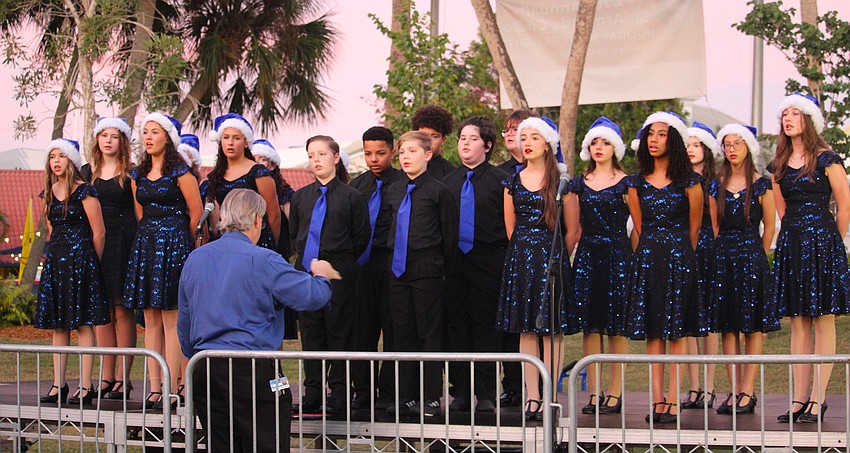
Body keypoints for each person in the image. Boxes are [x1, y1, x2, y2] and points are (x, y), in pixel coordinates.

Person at [178, 189, 339, 453]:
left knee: (220, 444)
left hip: (205, 366)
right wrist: (321, 275)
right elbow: (311, 296)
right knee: (267, 438)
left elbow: (185, 324)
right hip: (252, 367)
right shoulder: (263, 260)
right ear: (256, 220)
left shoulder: (196, 258)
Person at [769, 93, 850, 423]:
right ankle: (799, 398)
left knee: (823, 319)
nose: (788, 118)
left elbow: (844, 206)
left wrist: (833, 243)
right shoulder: (777, 165)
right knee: (798, 324)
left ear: (809, 120)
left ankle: (819, 398)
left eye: (795, 113)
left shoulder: (828, 159)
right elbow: (782, 210)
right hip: (793, 244)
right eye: (784, 113)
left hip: (823, 244)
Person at [625, 111, 707, 424]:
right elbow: (640, 226)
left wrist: (682, 257)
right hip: (648, 259)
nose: (654, 140)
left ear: (672, 139)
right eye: (650, 134)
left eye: (661, 134)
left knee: (676, 332)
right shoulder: (635, 184)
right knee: (653, 333)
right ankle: (657, 399)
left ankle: (674, 399)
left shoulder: (690, 182)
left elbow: (695, 228)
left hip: (679, 259)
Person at [124, 113, 203, 409]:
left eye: (154, 132)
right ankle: (154, 387)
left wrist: (190, 248)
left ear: (167, 137)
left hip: (175, 243)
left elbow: (196, 214)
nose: (148, 137)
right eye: (145, 132)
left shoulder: (181, 171)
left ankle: (174, 386)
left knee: (172, 319)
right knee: (150, 319)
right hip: (147, 243)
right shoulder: (138, 175)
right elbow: (139, 213)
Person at [289, 135, 370, 414]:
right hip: (307, 273)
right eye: (311, 155)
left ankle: (338, 392)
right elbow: (294, 234)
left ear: (336, 157)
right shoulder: (300, 197)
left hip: (339, 271)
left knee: (340, 331)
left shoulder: (352, 197)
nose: (316, 160)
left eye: (322, 154)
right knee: (311, 332)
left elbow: (361, 237)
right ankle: (312, 391)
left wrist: (339, 264)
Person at [497, 116, 570, 421]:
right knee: (527, 329)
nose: (526, 143)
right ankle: (532, 396)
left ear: (548, 144)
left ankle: (551, 394)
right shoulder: (512, 181)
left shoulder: (563, 182)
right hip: (522, 260)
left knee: (551, 330)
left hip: (552, 258)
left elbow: (572, 229)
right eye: (523, 137)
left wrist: (553, 255)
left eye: (533, 138)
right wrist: (525, 254)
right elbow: (511, 227)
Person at [385, 131, 457, 417]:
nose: (405, 157)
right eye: (402, 152)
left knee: (428, 332)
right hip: (398, 271)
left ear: (427, 155)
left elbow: (449, 236)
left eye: (412, 152)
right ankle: (405, 395)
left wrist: (441, 270)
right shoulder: (395, 190)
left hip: (427, 269)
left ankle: (430, 396)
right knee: (402, 332)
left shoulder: (438, 191)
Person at [710, 124, 778, 416]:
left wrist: (757, 257)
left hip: (751, 259)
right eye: (727, 144)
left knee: (751, 327)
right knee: (728, 327)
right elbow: (713, 226)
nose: (732, 149)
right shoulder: (716, 184)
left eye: (737, 143)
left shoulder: (762, 184)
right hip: (724, 258)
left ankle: (749, 392)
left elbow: (770, 226)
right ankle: (734, 390)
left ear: (748, 147)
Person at [443, 116, 510, 413]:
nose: (465, 144)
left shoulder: (501, 182)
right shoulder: (447, 184)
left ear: (488, 145)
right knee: (456, 326)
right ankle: (459, 391)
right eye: (462, 139)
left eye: (472, 139)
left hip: (489, 261)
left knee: (486, 328)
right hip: (455, 264)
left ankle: (485, 391)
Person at [564, 116, 631, 415]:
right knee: (590, 328)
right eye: (594, 142)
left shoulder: (628, 182)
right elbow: (574, 227)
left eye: (605, 142)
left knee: (616, 327)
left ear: (615, 147)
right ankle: (594, 392)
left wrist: (631, 257)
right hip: (589, 255)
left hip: (618, 254)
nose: (599, 147)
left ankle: (615, 393)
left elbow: (638, 226)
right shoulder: (579, 184)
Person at [36, 138, 109, 406]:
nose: (56, 161)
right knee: (58, 323)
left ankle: (86, 385)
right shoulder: (47, 192)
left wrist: (91, 264)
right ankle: (59, 384)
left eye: (61, 156)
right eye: (52, 156)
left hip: (82, 260)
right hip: (57, 260)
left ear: (72, 160)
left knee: (82, 323)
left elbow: (99, 231)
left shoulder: (85, 191)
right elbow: (51, 228)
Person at [81, 118, 138, 400]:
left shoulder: (131, 173)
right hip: (94, 241)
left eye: (114, 136)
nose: (108, 141)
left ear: (122, 141)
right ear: (97, 139)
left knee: (121, 310)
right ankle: (106, 375)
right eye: (103, 135)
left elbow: (139, 211)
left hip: (124, 241)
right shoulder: (85, 172)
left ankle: (123, 379)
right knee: (100, 310)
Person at [349, 126, 403, 410]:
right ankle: (363, 390)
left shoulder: (404, 183)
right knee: (362, 329)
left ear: (392, 152)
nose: (373, 159)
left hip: (392, 264)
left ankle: (391, 391)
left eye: (380, 153)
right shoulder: (356, 187)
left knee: (393, 328)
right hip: (362, 266)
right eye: (368, 153)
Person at [495, 108, 537, 407]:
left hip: (540, 255)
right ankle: (512, 384)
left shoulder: (553, 172)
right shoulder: (500, 172)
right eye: (507, 130)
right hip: (506, 256)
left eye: (516, 129)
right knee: (512, 325)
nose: (511, 134)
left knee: (540, 324)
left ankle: (539, 386)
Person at [681, 121, 721, 411]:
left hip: (707, 247)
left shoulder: (714, 181)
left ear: (706, 149)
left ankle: (708, 387)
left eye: (696, 144)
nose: (691, 150)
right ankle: (693, 387)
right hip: (683, 248)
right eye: (687, 145)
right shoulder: (677, 178)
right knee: (688, 319)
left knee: (709, 321)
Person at [202, 114, 280, 250]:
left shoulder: (258, 173)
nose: (230, 143)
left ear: (245, 142)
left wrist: (273, 248)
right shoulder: (216, 176)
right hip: (226, 241)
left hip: (256, 242)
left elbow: (274, 215)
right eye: (226, 137)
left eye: (236, 138)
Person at [251, 138, 295, 258]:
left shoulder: (283, 192)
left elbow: (294, 223)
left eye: (263, 159)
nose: (257, 163)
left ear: (272, 165)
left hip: (277, 250)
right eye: (253, 158)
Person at [412, 105, 456, 179]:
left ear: (443, 140)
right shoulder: (405, 171)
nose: (428, 141)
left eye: (435, 136)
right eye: (423, 135)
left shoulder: (451, 175)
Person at [497, 109, 536, 175]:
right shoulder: (498, 172)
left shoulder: (545, 170)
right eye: (506, 130)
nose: (509, 134)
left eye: (515, 129)